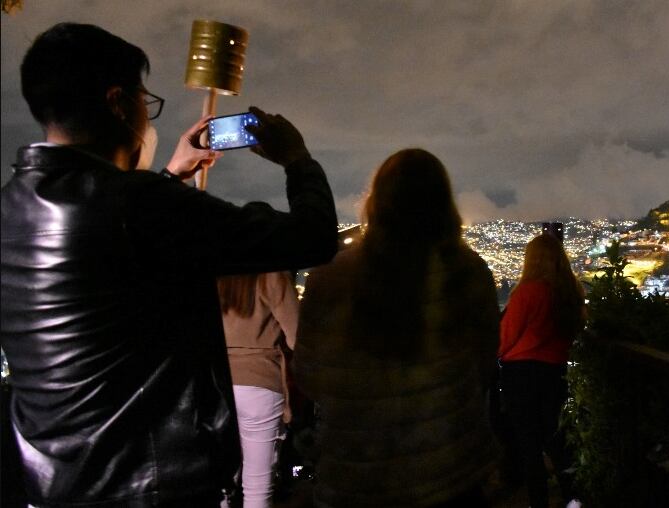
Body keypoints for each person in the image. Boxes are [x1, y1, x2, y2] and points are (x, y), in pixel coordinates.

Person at [0, 23, 338, 507]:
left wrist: (171, 176)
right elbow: (313, 237)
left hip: (54, 484)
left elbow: (114, 256)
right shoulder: (140, 204)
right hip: (150, 482)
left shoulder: (11, 207)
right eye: (145, 100)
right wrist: (297, 160)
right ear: (118, 103)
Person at [294, 148, 501, 507]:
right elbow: (484, 365)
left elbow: (310, 376)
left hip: (358, 471)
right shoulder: (469, 272)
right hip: (448, 470)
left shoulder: (331, 277)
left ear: (376, 201)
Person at [498, 233, 586, 508]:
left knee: (529, 445)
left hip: (521, 375)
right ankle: (573, 499)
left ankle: (539, 503)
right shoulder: (570, 295)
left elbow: (504, 339)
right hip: (555, 373)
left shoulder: (527, 292)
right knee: (556, 440)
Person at [218, 271, 300, 508]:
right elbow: (298, 337)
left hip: (217, 384)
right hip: (260, 383)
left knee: (221, 485)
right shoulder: (271, 275)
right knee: (258, 489)